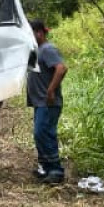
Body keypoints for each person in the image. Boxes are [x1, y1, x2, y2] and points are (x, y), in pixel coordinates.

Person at [26, 20, 66, 183]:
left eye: (30, 33)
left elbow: (61, 68)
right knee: (40, 134)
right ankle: (45, 167)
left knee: (44, 133)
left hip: (48, 102)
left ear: (39, 33)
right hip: (40, 102)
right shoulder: (37, 50)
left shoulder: (48, 49)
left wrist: (50, 90)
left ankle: (55, 170)